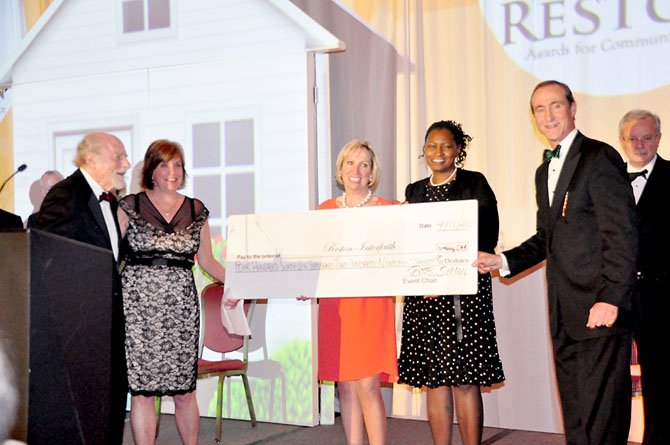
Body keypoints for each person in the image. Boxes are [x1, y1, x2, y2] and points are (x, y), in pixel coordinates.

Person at [474, 80, 638, 445]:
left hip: (600, 309)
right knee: (577, 415)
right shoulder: (542, 171)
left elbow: (622, 234)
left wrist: (611, 298)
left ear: (573, 108)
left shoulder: (599, 157)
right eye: (539, 109)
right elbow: (547, 239)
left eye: (555, 106)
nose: (548, 116)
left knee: (603, 418)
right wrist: (501, 260)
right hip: (564, 312)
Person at [397, 121, 504, 445]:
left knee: (465, 381)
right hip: (425, 299)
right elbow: (409, 243)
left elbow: (487, 238)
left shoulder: (475, 184)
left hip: (462, 296)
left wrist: (446, 276)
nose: (438, 152)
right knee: (435, 380)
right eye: (432, 146)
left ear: (459, 149)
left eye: (446, 146)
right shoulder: (414, 191)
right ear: (424, 150)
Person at [117, 139, 227, 445]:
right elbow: (111, 254)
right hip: (138, 310)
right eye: (165, 163)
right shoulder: (130, 205)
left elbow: (208, 262)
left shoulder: (196, 209)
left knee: (184, 390)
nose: (172, 171)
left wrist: (244, 282)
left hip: (180, 310)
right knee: (142, 393)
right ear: (151, 169)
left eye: (178, 164)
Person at [34, 131, 130, 444]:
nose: (126, 164)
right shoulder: (65, 195)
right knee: (84, 413)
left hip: (108, 322)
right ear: (92, 159)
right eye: (118, 156)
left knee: (113, 403)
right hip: (78, 330)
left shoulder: (109, 200)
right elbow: (50, 260)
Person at [313, 140, 398, 445]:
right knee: (346, 387)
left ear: (372, 172)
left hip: (372, 304)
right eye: (350, 163)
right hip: (337, 307)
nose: (356, 170)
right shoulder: (324, 210)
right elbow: (314, 257)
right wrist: (303, 283)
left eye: (364, 164)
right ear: (340, 169)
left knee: (368, 385)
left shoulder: (388, 210)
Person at [619, 109, 669, 445]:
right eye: (632, 138)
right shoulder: (609, 180)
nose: (640, 144)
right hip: (617, 298)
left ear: (659, 139)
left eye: (647, 137)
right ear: (622, 142)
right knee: (614, 381)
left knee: (660, 382)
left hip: (661, 297)